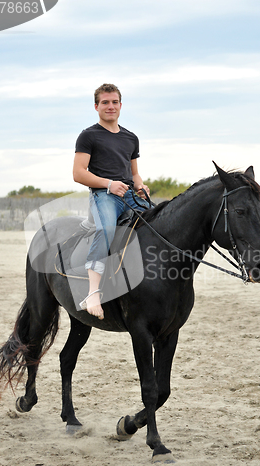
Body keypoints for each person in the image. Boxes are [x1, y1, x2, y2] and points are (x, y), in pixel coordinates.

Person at [73, 83, 150, 320]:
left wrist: (139, 185)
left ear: (121, 105)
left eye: (114, 102)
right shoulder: (88, 136)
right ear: (96, 106)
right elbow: (78, 173)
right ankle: (93, 292)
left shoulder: (131, 137)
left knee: (160, 223)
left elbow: (134, 172)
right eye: (105, 102)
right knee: (106, 229)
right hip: (103, 195)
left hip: (129, 196)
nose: (110, 106)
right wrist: (108, 184)